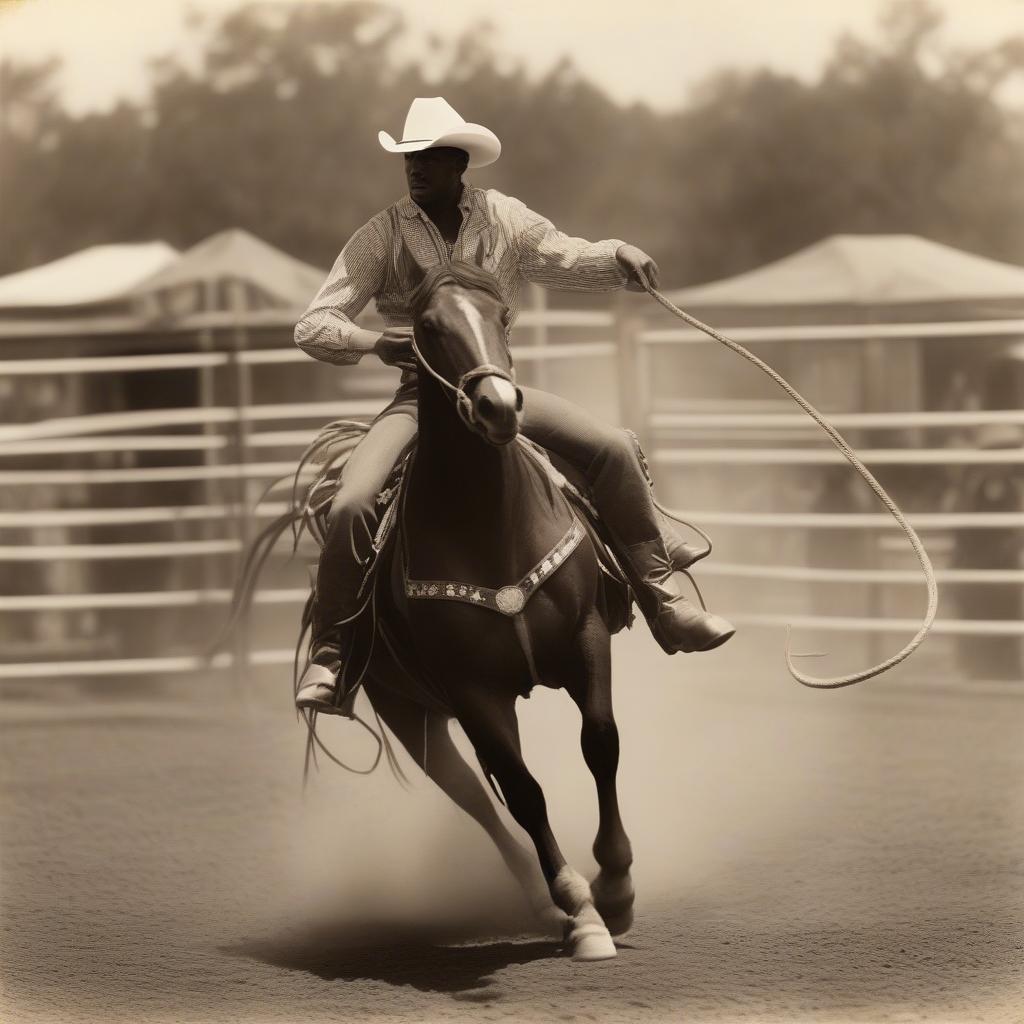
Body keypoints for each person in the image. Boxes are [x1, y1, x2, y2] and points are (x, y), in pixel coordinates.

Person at [294, 97, 734, 713]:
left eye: (429, 159)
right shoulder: (382, 236)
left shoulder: (502, 217)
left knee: (609, 446)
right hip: (421, 398)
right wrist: (374, 342)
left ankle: (664, 600)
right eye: (409, 160)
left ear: (458, 163)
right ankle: (334, 653)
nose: (416, 171)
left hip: (498, 389)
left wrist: (615, 256)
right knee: (351, 504)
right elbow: (314, 324)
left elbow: (560, 253)